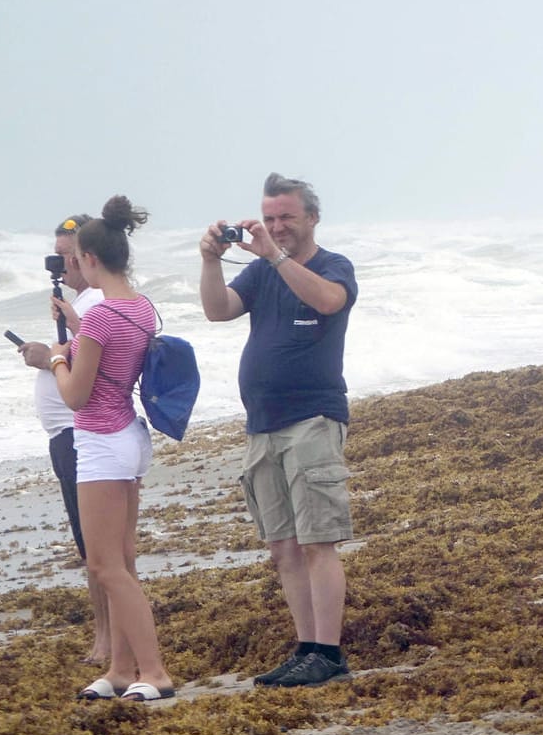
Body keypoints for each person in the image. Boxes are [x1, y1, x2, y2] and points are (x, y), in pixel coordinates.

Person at [200, 173, 360, 687]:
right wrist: (209, 260)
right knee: (284, 546)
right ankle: (306, 647)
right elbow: (217, 310)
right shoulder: (261, 271)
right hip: (262, 424)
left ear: (312, 217)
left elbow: (329, 302)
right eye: (269, 218)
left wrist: (274, 256)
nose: (277, 226)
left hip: (312, 418)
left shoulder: (331, 266)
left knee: (319, 541)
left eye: (287, 217)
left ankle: (329, 654)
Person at [44, 197, 175, 702]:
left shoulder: (99, 317)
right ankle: (121, 669)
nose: (74, 266)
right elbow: (113, 354)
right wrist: (78, 333)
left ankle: (155, 671)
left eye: (77, 258)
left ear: (91, 259)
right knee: (121, 559)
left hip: (100, 440)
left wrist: (58, 358)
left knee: (106, 567)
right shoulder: (139, 306)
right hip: (129, 433)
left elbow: (76, 394)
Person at [17, 214, 109, 663]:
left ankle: (107, 638)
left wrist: (48, 358)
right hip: (67, 435)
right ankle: (107, 633)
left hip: (80, 434)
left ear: (88, 253)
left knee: (96, 546)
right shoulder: (83, 303)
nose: (61, 263)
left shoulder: (93, 304)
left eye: (68, 254)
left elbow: (100, 360)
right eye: (56, 254)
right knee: (90, 543)